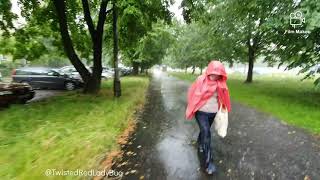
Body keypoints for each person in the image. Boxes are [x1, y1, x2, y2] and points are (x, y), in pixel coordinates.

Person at [185, 60, 231, 175]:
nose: (215, 76)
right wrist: (191, 107)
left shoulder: (221, 84)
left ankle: (200, 143)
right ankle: (208, 163)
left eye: (218, 74)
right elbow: (192, 93)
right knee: (206, 132)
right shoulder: (201, 80)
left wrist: (225, 109)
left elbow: (225, 98)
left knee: (205, 131)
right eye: (213, 73)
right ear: (209, 71)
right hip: (200, 112)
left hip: (213, 113)